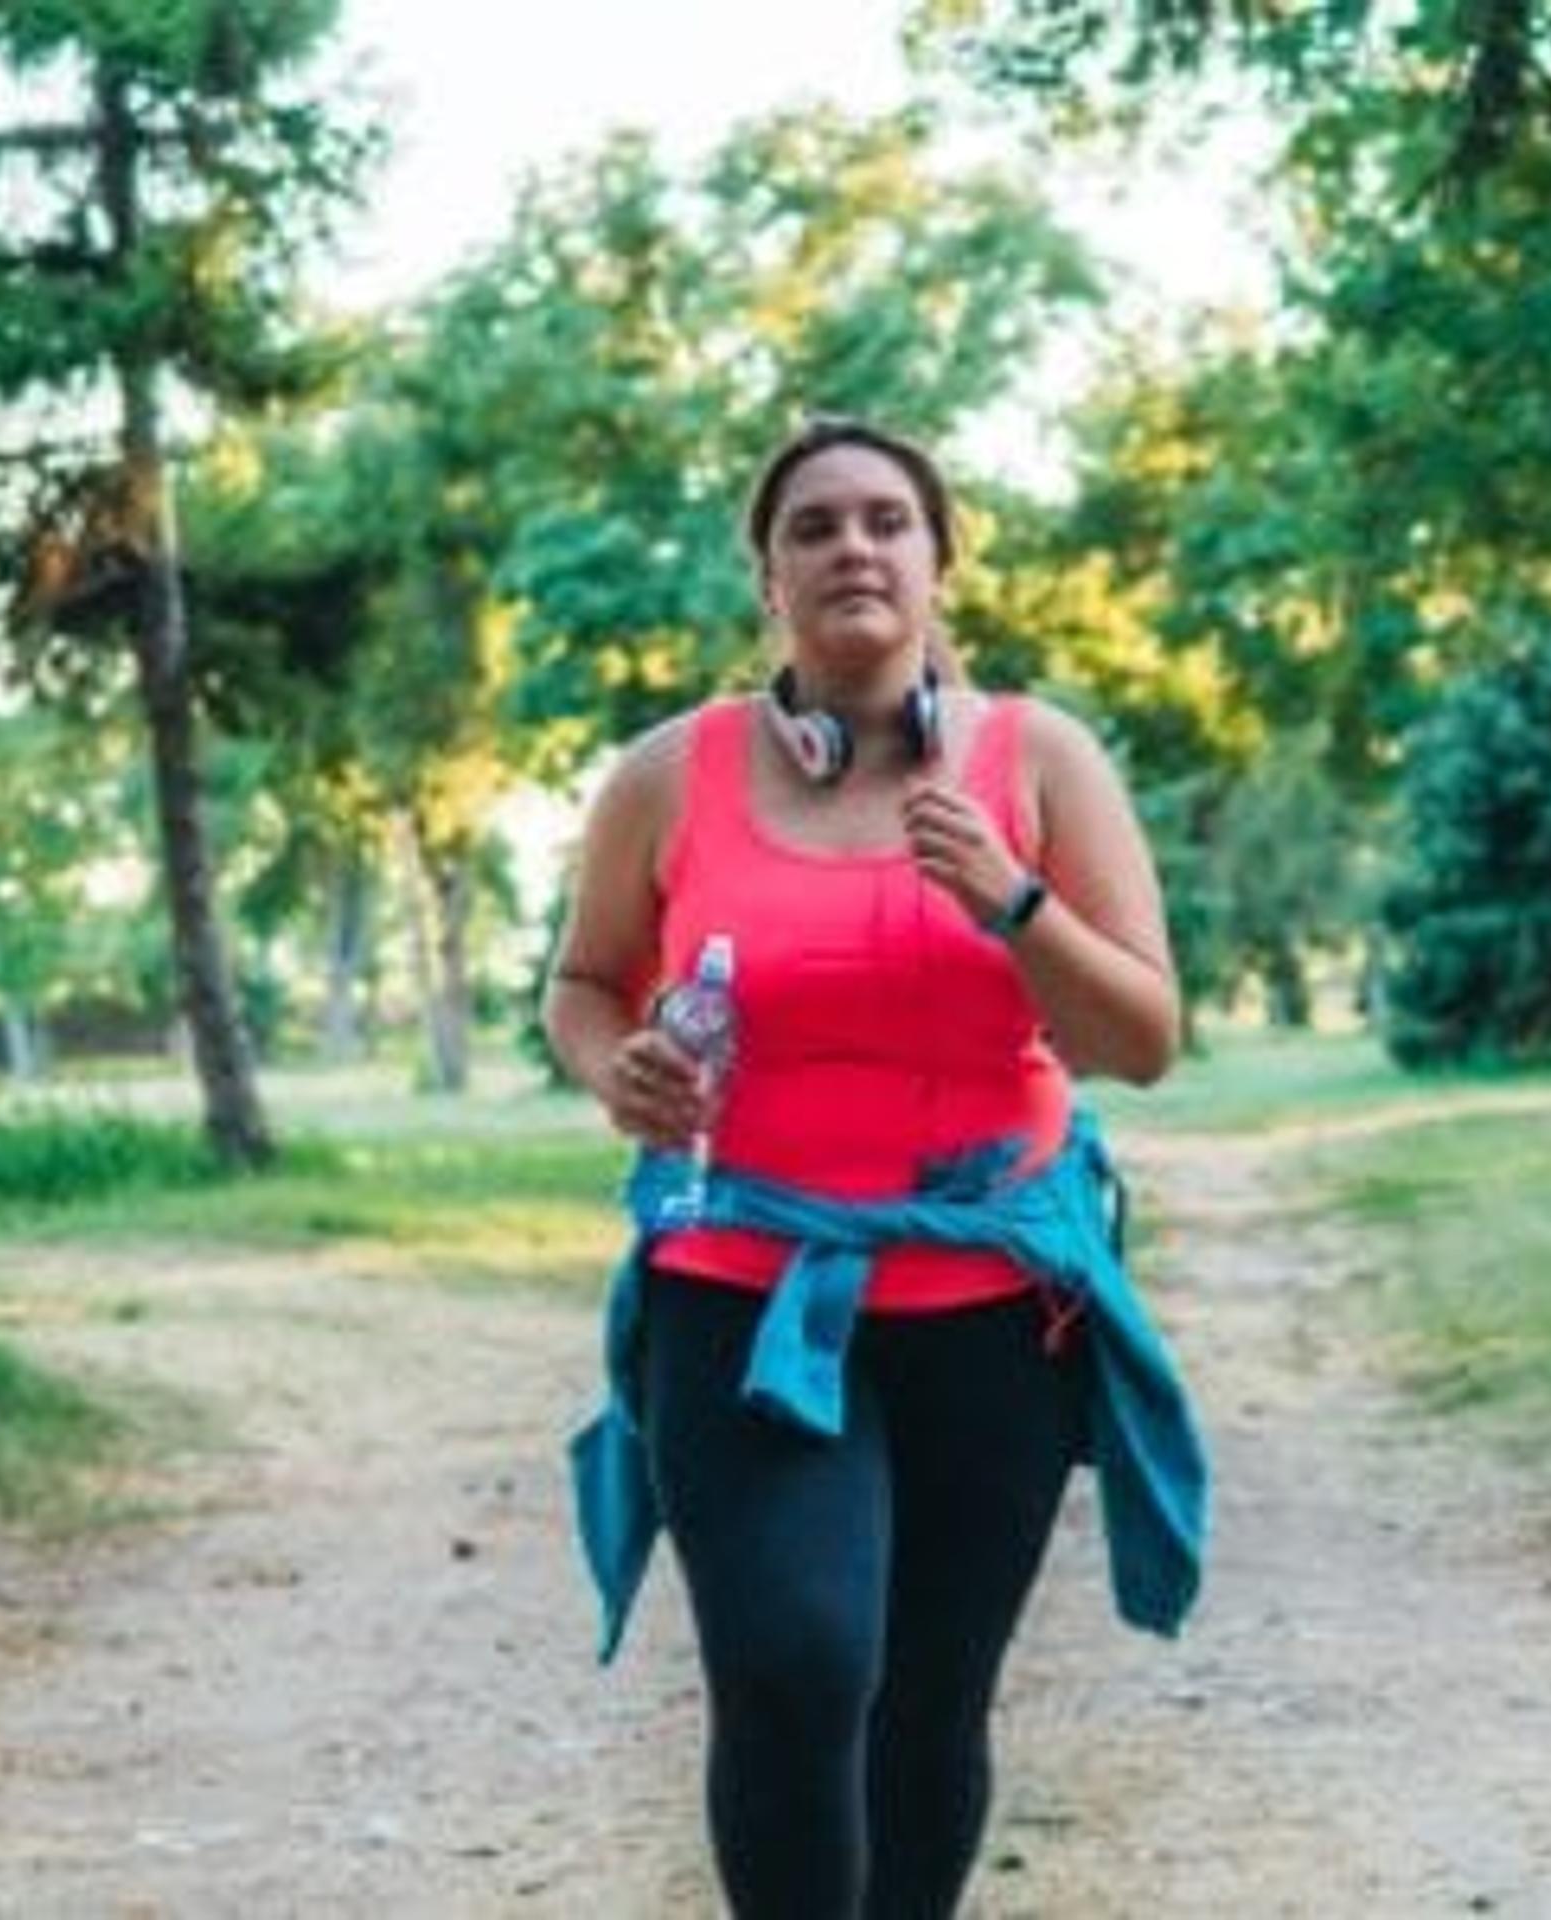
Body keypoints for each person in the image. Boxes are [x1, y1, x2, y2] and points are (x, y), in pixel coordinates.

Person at [544, 417, 1205, 1920]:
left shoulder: (1038, 760)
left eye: (889, 521)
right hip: (746, 1295)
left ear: (937, 565)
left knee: (926, 1702)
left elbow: (1144, 1039)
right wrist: (616, 1069)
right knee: (794, 1663)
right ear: (769, 580)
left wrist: (1012, 897)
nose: (855, 545)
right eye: (816, 526)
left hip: (993, 1312)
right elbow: (582, 986)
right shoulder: (668, 775)